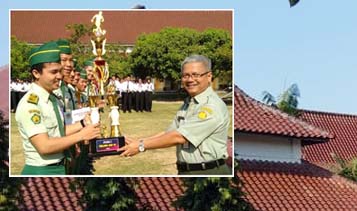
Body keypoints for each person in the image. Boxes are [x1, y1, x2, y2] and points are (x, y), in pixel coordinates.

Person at [119, 55, 231, 175]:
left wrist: (141, 146)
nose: (190, 80)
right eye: (185, 75)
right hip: (187, 172)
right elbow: (170, 133)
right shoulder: (189, 103)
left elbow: (179, 137)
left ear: (209, 76)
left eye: (195, 75)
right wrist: (139, 141)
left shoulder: (211, 106)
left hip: (209, 172)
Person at [15, 41, 102, 175]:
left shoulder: (53, 100)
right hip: (43, 171)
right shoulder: (31, 104)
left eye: (60, 71)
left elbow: (59, 131)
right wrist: (81, 135)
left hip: (61, 167)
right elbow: (44, 146)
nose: (60, 76)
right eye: (54, 72)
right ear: (36, 73)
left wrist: (83, 123)